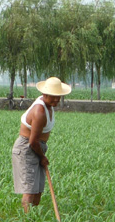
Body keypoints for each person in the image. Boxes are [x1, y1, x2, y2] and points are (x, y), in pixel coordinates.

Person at [12, 76, 71, 213]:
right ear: (45, 94)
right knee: (30, 190)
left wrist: (42, 154)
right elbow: (33, 141)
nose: (57, 99)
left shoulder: (49, 106)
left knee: (38, 189)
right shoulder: (39, 111)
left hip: (38, 147)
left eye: (59, 96)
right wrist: (42, 157)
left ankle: (34, 218)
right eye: (53, 96)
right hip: (28, 148)